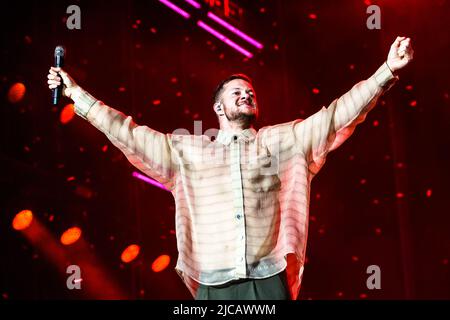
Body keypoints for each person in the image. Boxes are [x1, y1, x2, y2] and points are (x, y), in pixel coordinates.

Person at [47, 37, 413, 300]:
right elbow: (126, 131)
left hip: (268, 278)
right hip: (214, 282)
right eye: (236, 92)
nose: (247, 95)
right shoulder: (187, 151)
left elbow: (337, 115)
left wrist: (385, 72)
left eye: (250, 92)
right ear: (218, 109)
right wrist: (77, 94)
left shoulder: (284, 141)